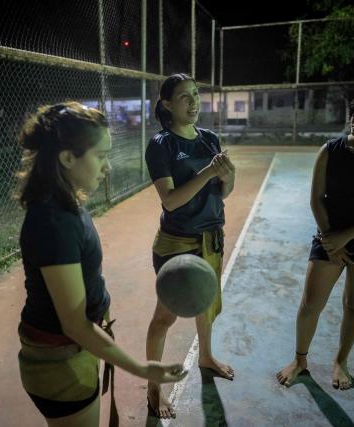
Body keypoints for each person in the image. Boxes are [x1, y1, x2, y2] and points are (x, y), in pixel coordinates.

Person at [15, 101, 187, 426]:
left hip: (75, 350)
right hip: (61, 359)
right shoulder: (54, 222)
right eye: (101, 155)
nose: (107, 167)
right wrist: (141, 368)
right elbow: (74, 323)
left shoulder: (64, 205)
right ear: (67, 158)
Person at [276, 89, 354, 390]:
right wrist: (329, 239)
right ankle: (300, 360)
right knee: (310, 303)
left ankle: (341, 361)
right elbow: (316, 199)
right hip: (329, 236)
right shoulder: (330, 150)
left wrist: (345, 237)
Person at [144, 74, 236, 418]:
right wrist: (209, 174)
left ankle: (207, 357)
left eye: (196, 95)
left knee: (205, 305)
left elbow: (223, 193)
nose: (193, 101)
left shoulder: (209, 138)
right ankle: (154, 387)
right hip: (177, 244)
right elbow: (170, 201)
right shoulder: (161, 144)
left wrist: (228, 176)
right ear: (167, 104)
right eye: (184, 96)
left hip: (210, 238)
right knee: (165, 316)